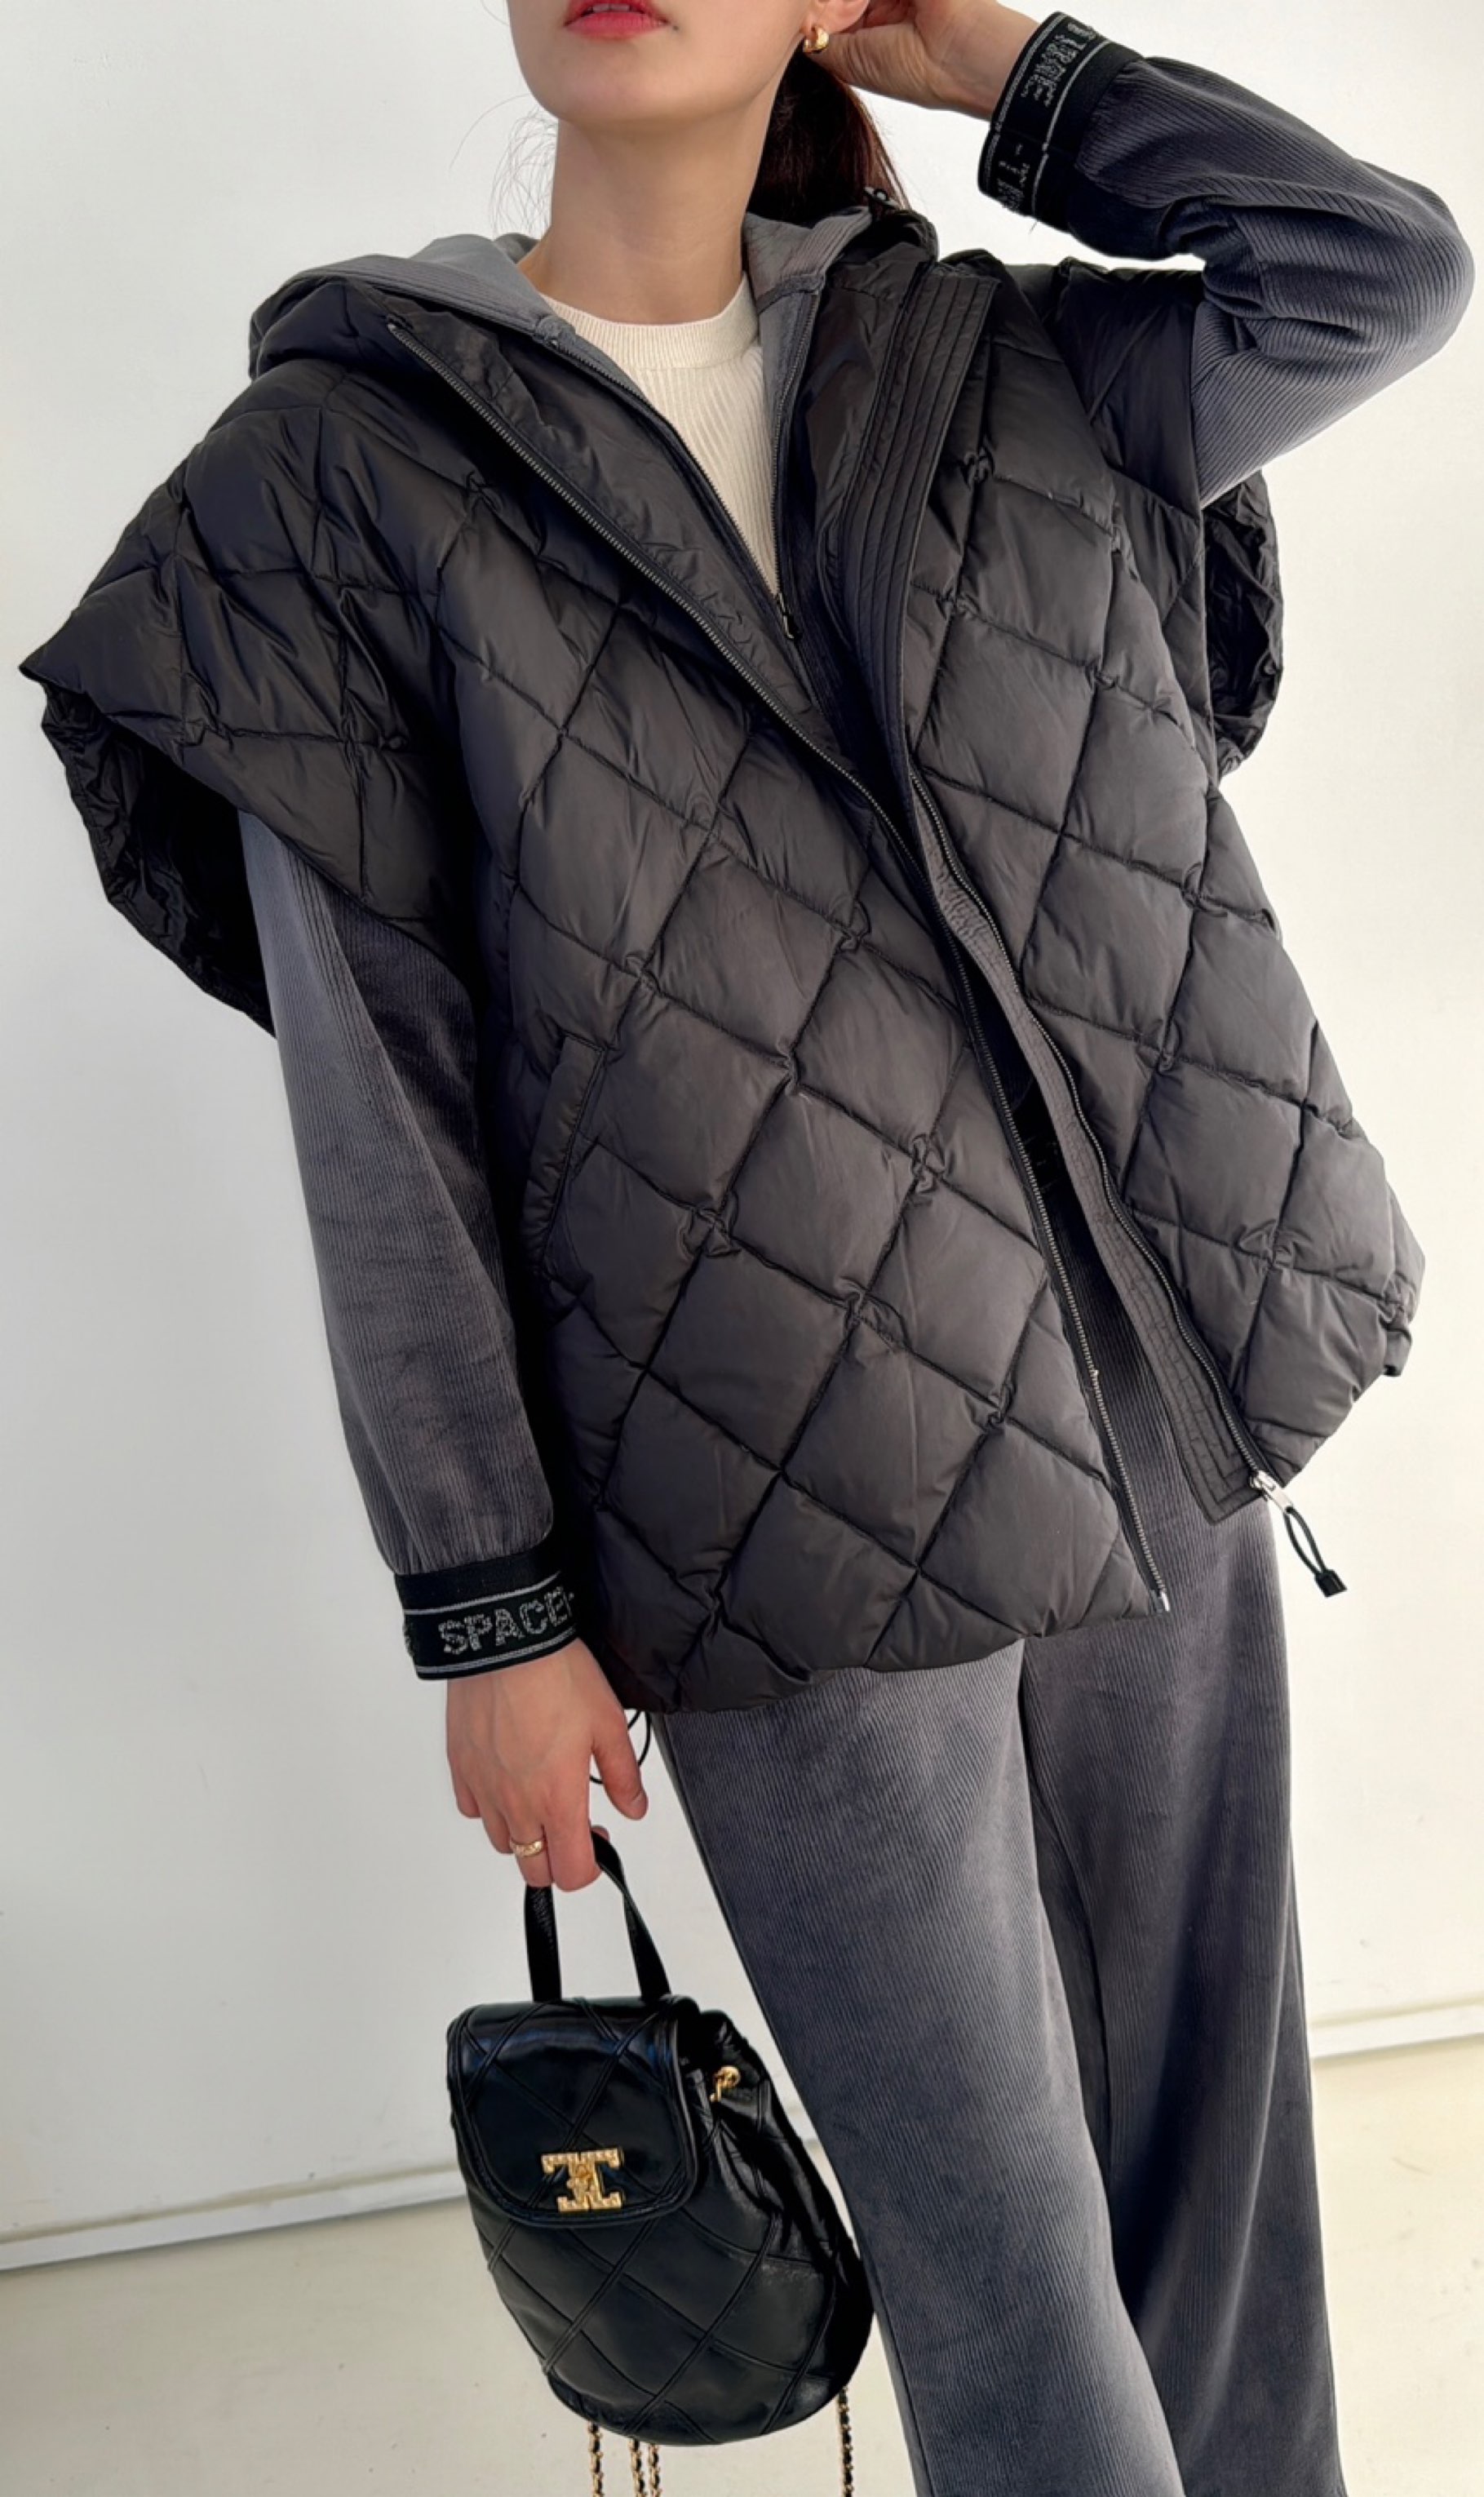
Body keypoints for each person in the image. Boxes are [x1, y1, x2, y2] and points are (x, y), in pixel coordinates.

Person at [17, 6, 1473, 2490]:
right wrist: (490, 1610)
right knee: (1010, 2301)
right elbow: (382, 1113)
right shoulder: (333, 480)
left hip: (1156, 1434)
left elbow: (1379, 270)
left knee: (1218, 2225)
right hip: (774, 1522)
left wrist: (1008, 65)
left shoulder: (1008, 370)